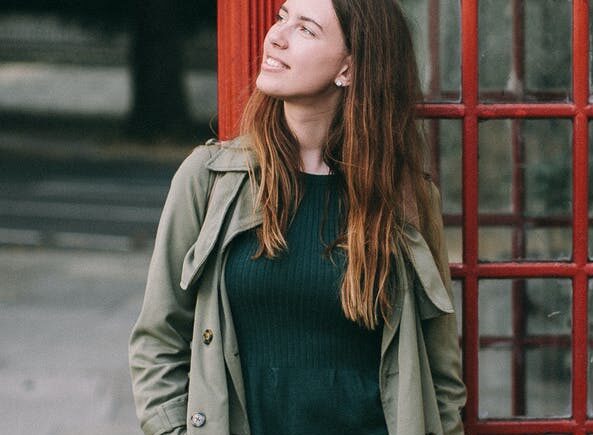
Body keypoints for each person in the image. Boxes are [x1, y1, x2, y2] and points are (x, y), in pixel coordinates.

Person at [128, 0, 466, 434]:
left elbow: (441, 373)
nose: (275, 37)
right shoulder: (210, 180)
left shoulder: (406, 199)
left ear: (349, 68)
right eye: (281, 17)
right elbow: (158, 340)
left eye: (306, 29)